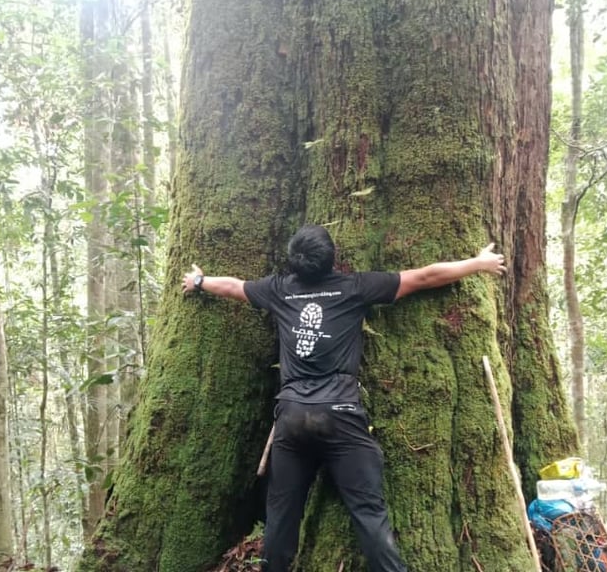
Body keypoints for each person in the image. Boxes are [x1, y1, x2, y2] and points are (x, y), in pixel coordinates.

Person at [181, 224, 507, 572]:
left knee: (281, 515)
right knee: (368, 513)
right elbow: (425, 277)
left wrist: (199, 282)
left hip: (291, 416)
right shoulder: (354, 287)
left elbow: (233, 287)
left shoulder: (279, 290)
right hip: (340, 414)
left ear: (293, 262)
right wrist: (478, 263)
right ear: (333, 259)